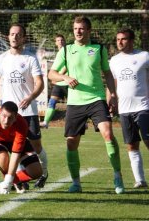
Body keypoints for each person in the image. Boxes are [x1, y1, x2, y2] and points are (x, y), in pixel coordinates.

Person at [48, 16, 125, 194]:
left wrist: (113, 95)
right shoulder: (66, 50)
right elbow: (52, 74)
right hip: (75, 102)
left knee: (108, 133)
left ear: (89, 30)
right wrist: (65, 77)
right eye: (75, 29)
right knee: (71, 143)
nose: (78, 32)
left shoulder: (99, 48)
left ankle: (117, 175)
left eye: (82, 29)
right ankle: (76, 182)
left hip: (96, 98)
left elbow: (107, 73)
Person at [0, 23, 48, 190]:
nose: (14, 37)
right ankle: (15, 181)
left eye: (18, 34)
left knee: (36, 146)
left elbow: (40, 83)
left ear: (24, 38)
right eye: (12, 34)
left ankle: (44, 171)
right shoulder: (2, 59)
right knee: (10, 149)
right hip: (9, 116)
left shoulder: (30, 59)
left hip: (29, 112)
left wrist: (30, 97)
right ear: (8, 37)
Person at [109, 28, 149, 189]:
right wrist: (110, 100)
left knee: (148, 140)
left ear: (132, 40)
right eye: (118, 39)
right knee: (131, 145)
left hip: (144, 106)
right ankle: (140, 180)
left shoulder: (144, 56)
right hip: (125, 110)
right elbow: (112, 83)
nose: (120, 42)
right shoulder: (114, 60)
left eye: (123, 39)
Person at [40, 34, 68, 129]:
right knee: (52, 102)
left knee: (74, 105)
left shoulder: (68, 52)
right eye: (58, 40)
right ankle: (46, 122)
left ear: (65, 41)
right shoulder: (58, 54)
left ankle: (82, 123)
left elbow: (66, 66)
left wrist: (57, 76)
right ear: (56, 43)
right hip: (59, 83)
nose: (60, 42)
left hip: (68, 82)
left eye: (62, 40)